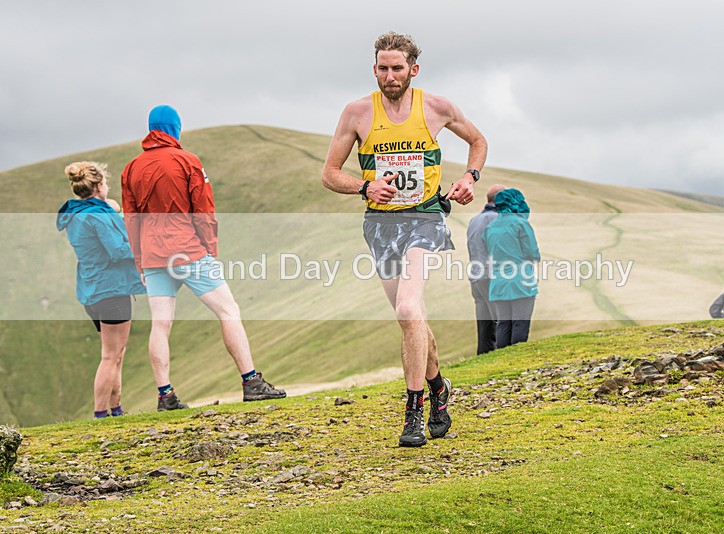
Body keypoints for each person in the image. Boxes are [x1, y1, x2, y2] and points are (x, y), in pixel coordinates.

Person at [322, 32, 487, 447]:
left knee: (408, 307)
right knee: (411, 318)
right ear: (374, 69)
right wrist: (365, 186)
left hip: (425, 217)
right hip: (381, 225)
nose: (390, 76)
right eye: (383, 68)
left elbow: (477, 140)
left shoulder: (436, 107)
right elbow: (330, 174)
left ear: (414, 69)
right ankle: (439, 388)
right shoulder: (357, 113)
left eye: (397, 68)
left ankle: (414, 411)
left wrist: (469, 177)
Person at [121, 104, 285, 412]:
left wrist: (139, 260)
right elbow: (204, 210)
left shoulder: (131, 169)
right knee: (228, 311)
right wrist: (209, 248)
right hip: (188, 250)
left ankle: (165, 395)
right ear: (175, 128)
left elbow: (131, 219)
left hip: (153, 254)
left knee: (161, 324)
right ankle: (251, 382)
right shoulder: (188, 161)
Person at [57, 161, 146, 419]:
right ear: (98, 186)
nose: (107, 186)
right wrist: (145, 247)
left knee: (117, 353)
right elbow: (117, 250)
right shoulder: (99, 215)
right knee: (110, 356)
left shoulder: (77, 214)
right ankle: (100, 414)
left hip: (92, 290)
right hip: (112, 290)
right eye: (105, 182)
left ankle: (116, 409)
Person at [482, 188, 540, 349]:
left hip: (498, 282)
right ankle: (518, 357)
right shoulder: (521, 224)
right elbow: (532, 253)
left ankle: (502, 357)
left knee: (503, 324)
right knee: (520, 322)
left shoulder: (490, 228)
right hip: (521, 280)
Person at [467, 184, 507, 355]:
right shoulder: (498, 219)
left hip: (476, 277)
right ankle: (504, 356)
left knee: (485, 323)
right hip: (492, 275)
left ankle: (484, 357)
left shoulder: (474, 220)